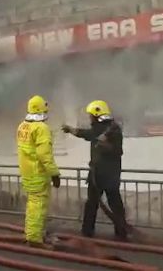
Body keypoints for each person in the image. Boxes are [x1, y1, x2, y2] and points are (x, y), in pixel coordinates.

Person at [62, 100, 128, 240]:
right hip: (97, 174)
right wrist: (71, 130)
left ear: (97, 114)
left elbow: (118, 151)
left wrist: (105, 145)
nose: (89, 118)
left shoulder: (113, 130)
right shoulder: (101, 129)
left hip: (107, 175)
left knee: (112, 204)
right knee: (94, 203)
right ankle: (88, 231)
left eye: (91, 115)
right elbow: (87, 134)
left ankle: (120, 232)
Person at [17, 95, 60, 248]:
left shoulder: (23, 126)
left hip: (27, 172)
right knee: (39, 206)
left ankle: (33, 233)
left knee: (32, 204)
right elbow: (44, 154)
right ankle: (35, 239)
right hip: (38, 173)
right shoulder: (41, 128)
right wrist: (54, 173)